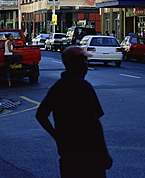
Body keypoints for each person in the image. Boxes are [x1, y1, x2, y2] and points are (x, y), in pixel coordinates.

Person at [36, 45, 113, 178]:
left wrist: (57, 136)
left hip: (67, 153)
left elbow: (41, 114)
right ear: (76, 64)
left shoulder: (58, 86)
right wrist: (104, 153)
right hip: (89, 155)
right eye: (84, 61)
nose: (86, 65)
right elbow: (94, 124)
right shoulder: (84, 87)